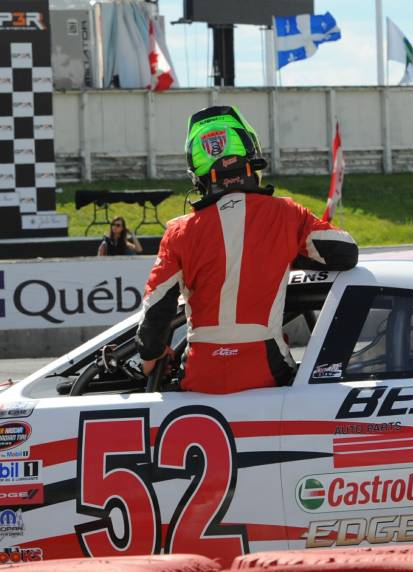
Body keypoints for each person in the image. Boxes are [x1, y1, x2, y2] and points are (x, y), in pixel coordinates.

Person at [135, 105, 359, 394]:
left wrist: (150, 360)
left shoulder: (179, 232)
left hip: (201, 377)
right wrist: (287, 251)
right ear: (253, 160)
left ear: (198, 176)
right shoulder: (287, 215)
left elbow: (155, 312)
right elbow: (346, 252)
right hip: (266, 371)